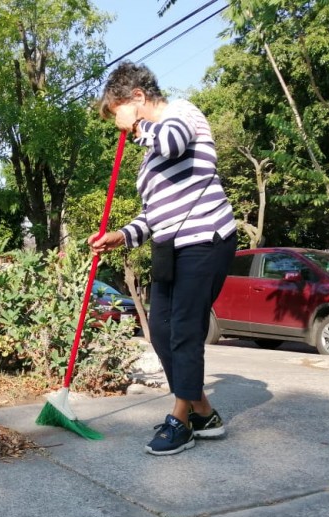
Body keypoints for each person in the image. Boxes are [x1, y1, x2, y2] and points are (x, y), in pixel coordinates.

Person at [89, 61, 237, 456]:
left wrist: (136, 127)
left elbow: (172, 141)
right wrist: (120, 236)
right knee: (158, 330)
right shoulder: (150, 158)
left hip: (206, 238)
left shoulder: (181, 114)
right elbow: (154, 215)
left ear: (137, 97)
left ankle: (181, 420)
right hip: (171, 246)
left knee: (186, 329)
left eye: (118, 109)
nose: (117, 122)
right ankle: (203, 412)